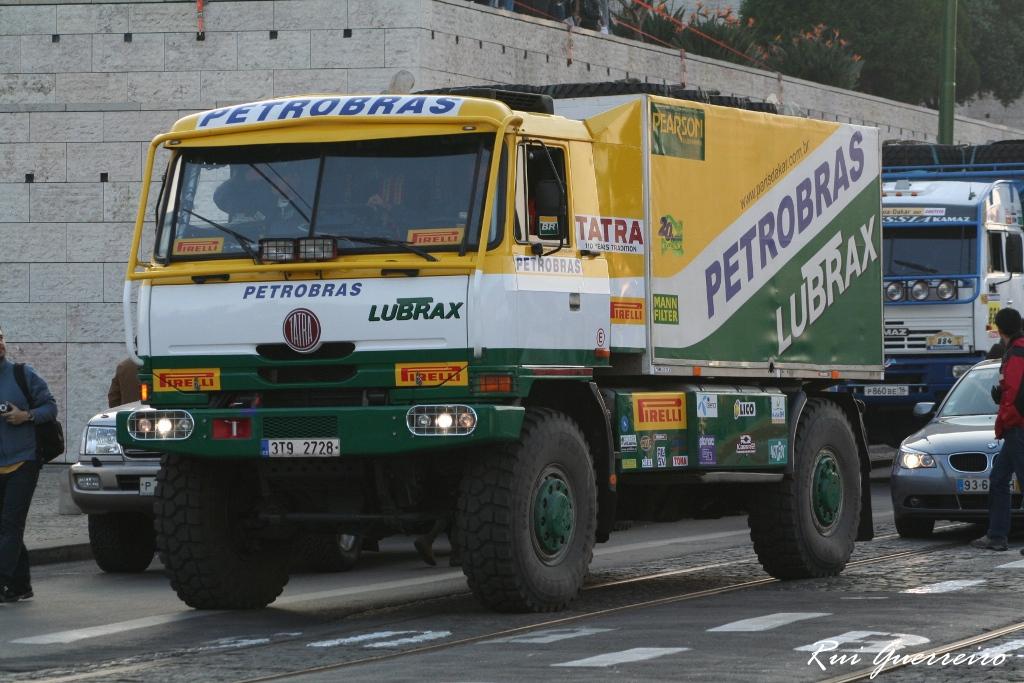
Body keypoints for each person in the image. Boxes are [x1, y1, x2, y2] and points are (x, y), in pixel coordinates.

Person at [0, 325, 58, 601]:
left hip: (24, 460)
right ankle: (21, 585)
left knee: (11, 524)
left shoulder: (22, 374)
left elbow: (50, 407)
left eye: (0, 338)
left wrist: (26, 416)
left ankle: (2, 581)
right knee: (6, 526)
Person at [973, 307, 1024, 551]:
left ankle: (997, 535)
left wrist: (1006, 419)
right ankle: (996, 535)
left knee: (1007, 479)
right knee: (999, 478)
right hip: (1016, 426)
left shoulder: (1016, 351)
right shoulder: (1016, 349)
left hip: (1018, 426)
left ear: (999, 328)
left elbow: (1013, 391)